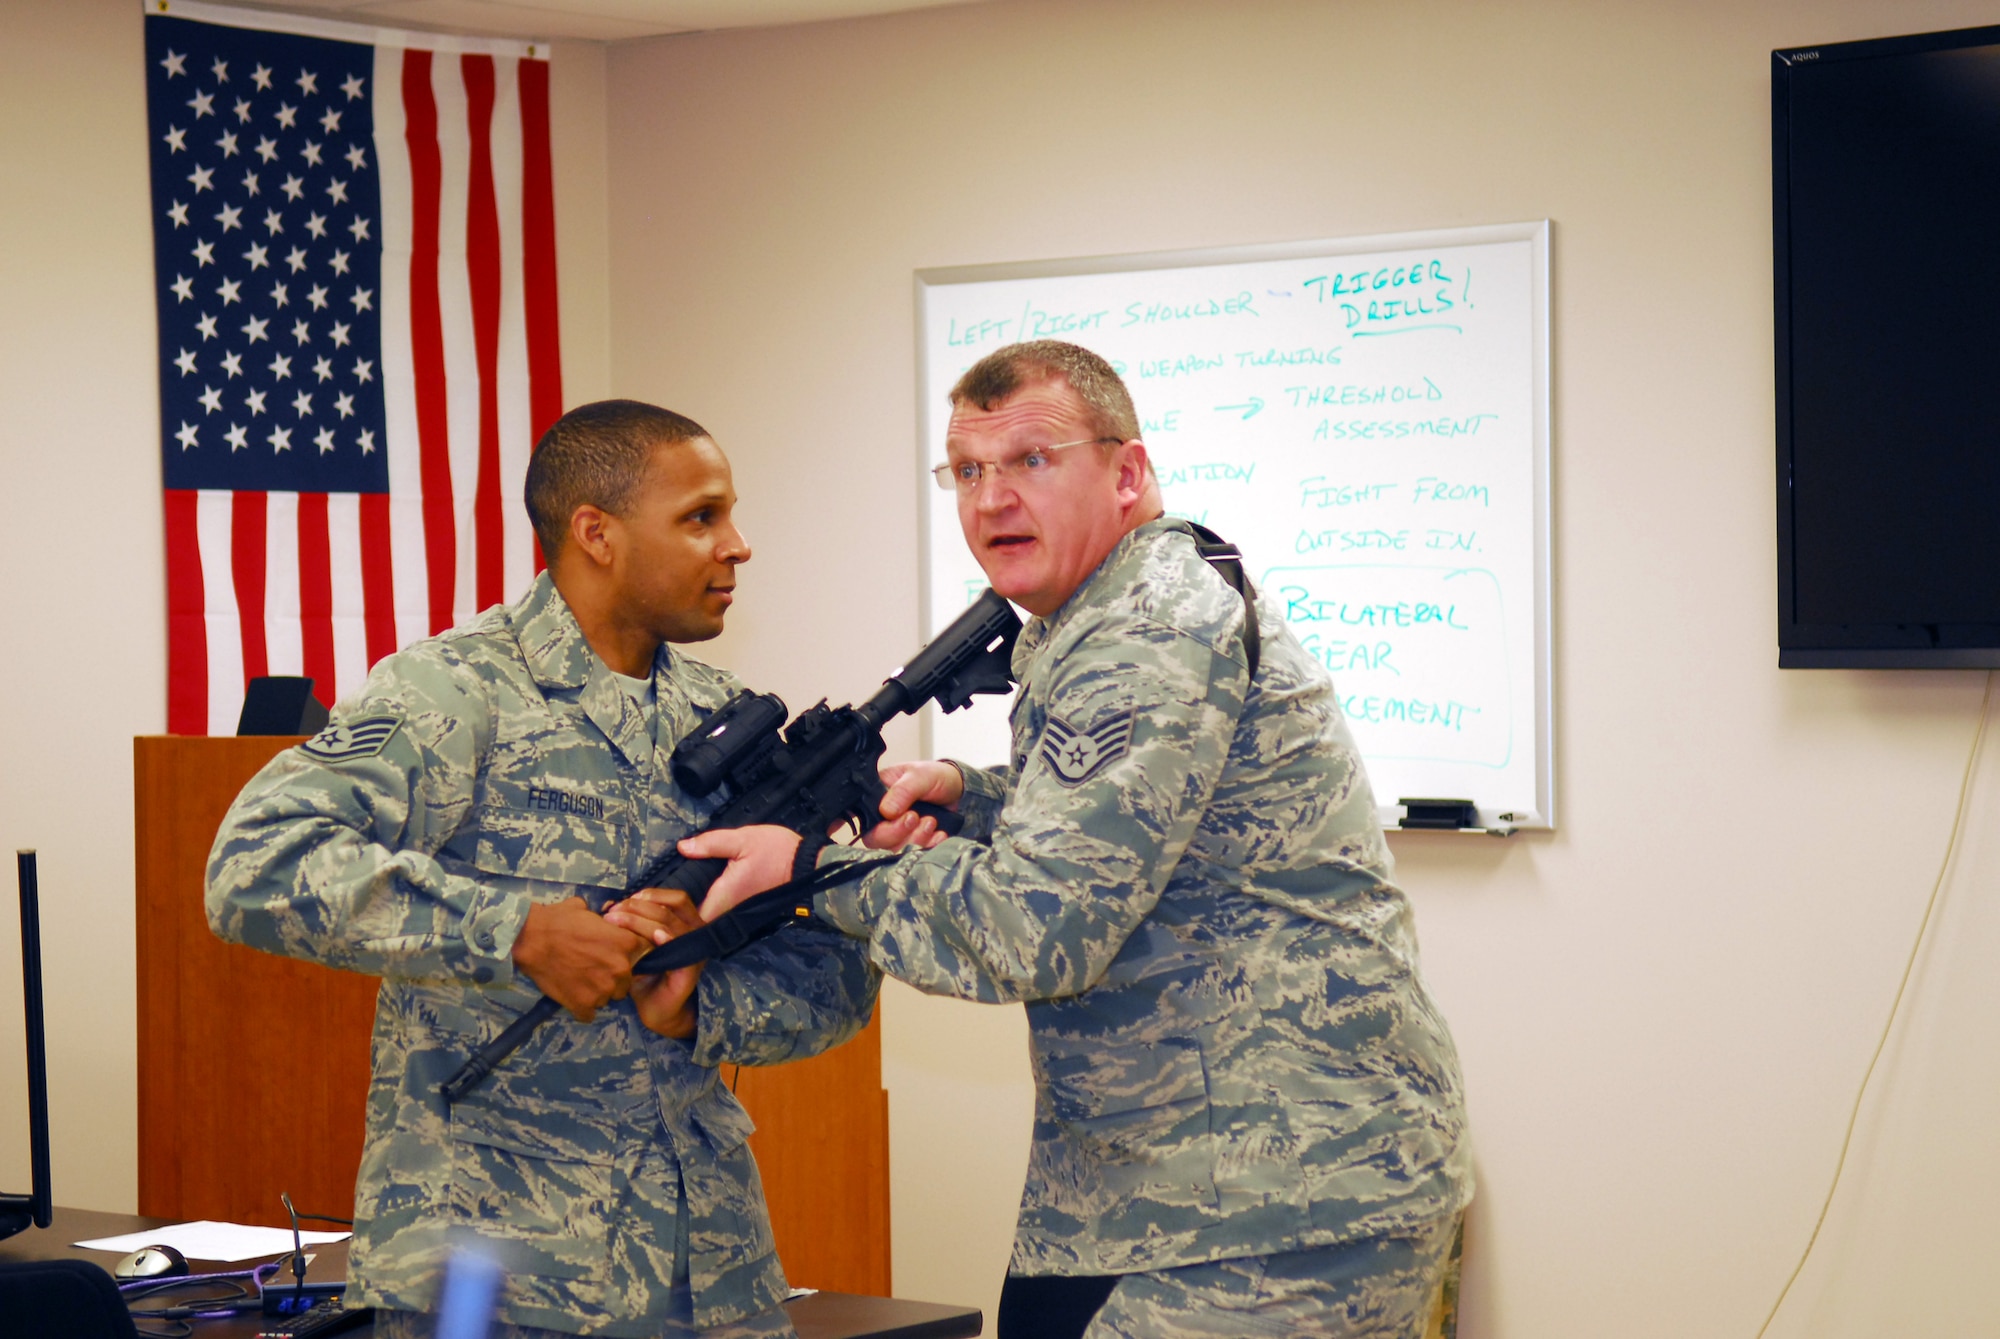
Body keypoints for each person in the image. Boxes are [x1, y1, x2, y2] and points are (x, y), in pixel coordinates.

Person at [689, 343, 1472, 1338]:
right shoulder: (1117, 604)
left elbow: (1034, 929)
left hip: (1268, 1200)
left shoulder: (1143, 630)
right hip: (1182, 1180)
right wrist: (966, 796)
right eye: (966, 471)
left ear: (1127, 473)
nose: (990, 499)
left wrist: (813, 868)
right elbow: (1143, 812)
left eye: (1031, 460)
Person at [206, 400, 879, 1339]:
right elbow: (256, 862)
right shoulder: (457, 691)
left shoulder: (726, 721)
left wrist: (699, 1002)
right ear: (595, 533)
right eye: (700, 517)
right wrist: (512, 932)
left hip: (705, 1270)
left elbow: (841, 969)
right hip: (490, 1274)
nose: (737, 546)